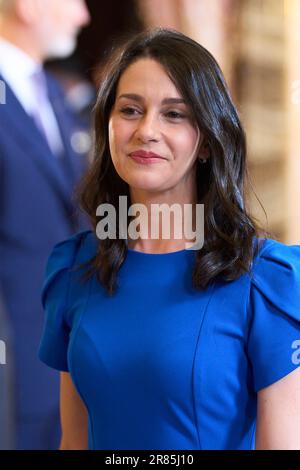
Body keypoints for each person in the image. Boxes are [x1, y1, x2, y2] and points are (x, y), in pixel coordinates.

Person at [38, 29, 300, 450]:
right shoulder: (75, 268)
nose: (146, 130)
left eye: (174, 114)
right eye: (130, 110)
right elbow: (74, 440)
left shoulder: (264, 280)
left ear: (206, 143)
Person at [0, 0, 90, 449]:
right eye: (72, 1)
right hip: (11, 369)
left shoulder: (53, 94)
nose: (82, 16)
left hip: (67, 368)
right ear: (29, 6)